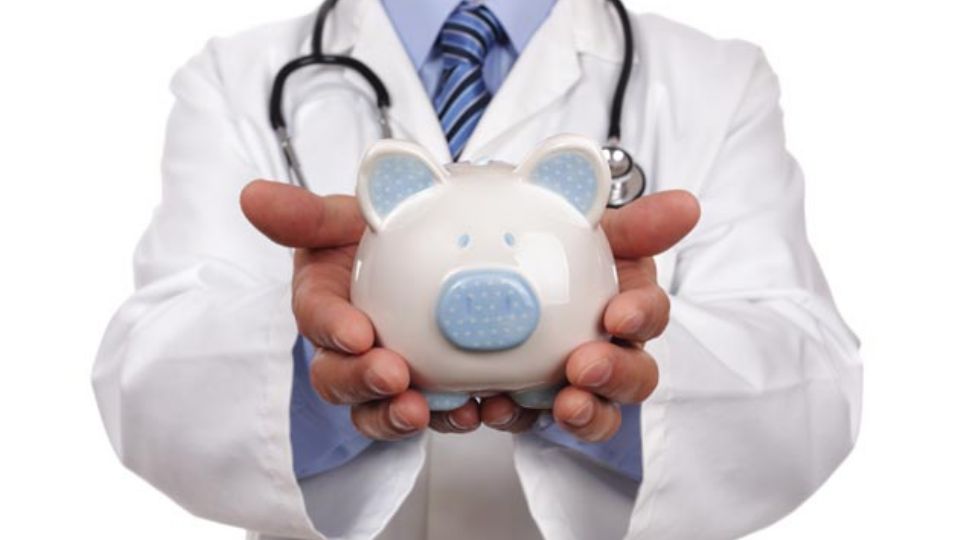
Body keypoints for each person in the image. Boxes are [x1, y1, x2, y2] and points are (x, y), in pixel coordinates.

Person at [92, 0, 863, 538]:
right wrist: (322, 361)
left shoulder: (716, 79)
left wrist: (620, 377)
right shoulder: (236, 75)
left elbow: (813, 397)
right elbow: (146, 383)